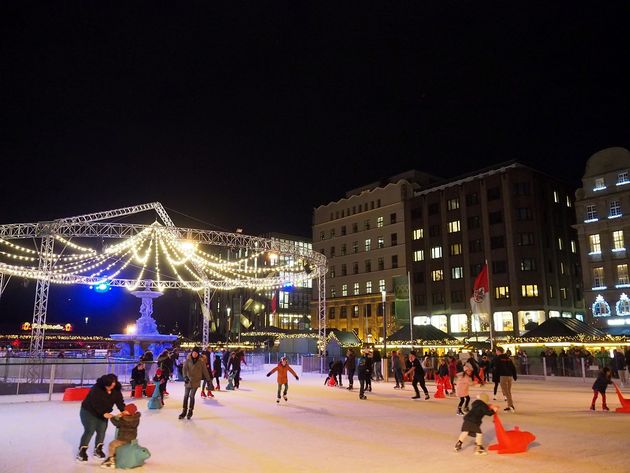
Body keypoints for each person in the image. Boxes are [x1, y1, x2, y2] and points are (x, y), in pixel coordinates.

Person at [76, 374, 127, 463]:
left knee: (102, 430)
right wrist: (104, 413)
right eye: (108, 386)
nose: (110, 388)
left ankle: (98, 450)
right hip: (89, 412)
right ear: (104, 384)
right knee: (90, 430)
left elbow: (119, 400)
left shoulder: (116, 389)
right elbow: (95, 403)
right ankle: (82, 451)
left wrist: (123, 410)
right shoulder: (96, 389)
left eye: (112, 385)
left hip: (103, 413)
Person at [100, 403, 140, 468]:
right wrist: (121, 416)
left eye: (126, 411)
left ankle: (111, 459)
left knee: (112, 444)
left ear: (130, 412)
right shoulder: (135, 418)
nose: (123, 411)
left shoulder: (126, 420)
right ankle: (116, 455)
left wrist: (112, 417)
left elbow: (117, 423)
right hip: (132, 437)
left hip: (124, 438)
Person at [180, 347, 212, 419]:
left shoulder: (201, 362)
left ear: (198, 354)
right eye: (194, 353)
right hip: (188, 380)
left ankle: (190, 411)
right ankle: (184, 411)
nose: (195, 354)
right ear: (192, 353)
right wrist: (185, 377)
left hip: (196, 381)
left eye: (196, 353)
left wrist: (209, 380)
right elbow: (184, 370)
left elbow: (205, 371)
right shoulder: (188, 360)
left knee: (191, 396)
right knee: (185, 396)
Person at [495, 346, 517, 412]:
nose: (496, 352)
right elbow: (513, 367)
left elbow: (497, 368)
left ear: (499, 351)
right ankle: (509, 405)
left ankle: (511, 405)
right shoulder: (508, 358)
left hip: (503, 376)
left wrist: (496, 377)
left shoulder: (498, 358)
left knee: (505, 392)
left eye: (496, 351)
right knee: (508, 391)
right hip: (509, 376)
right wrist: (514, 376)